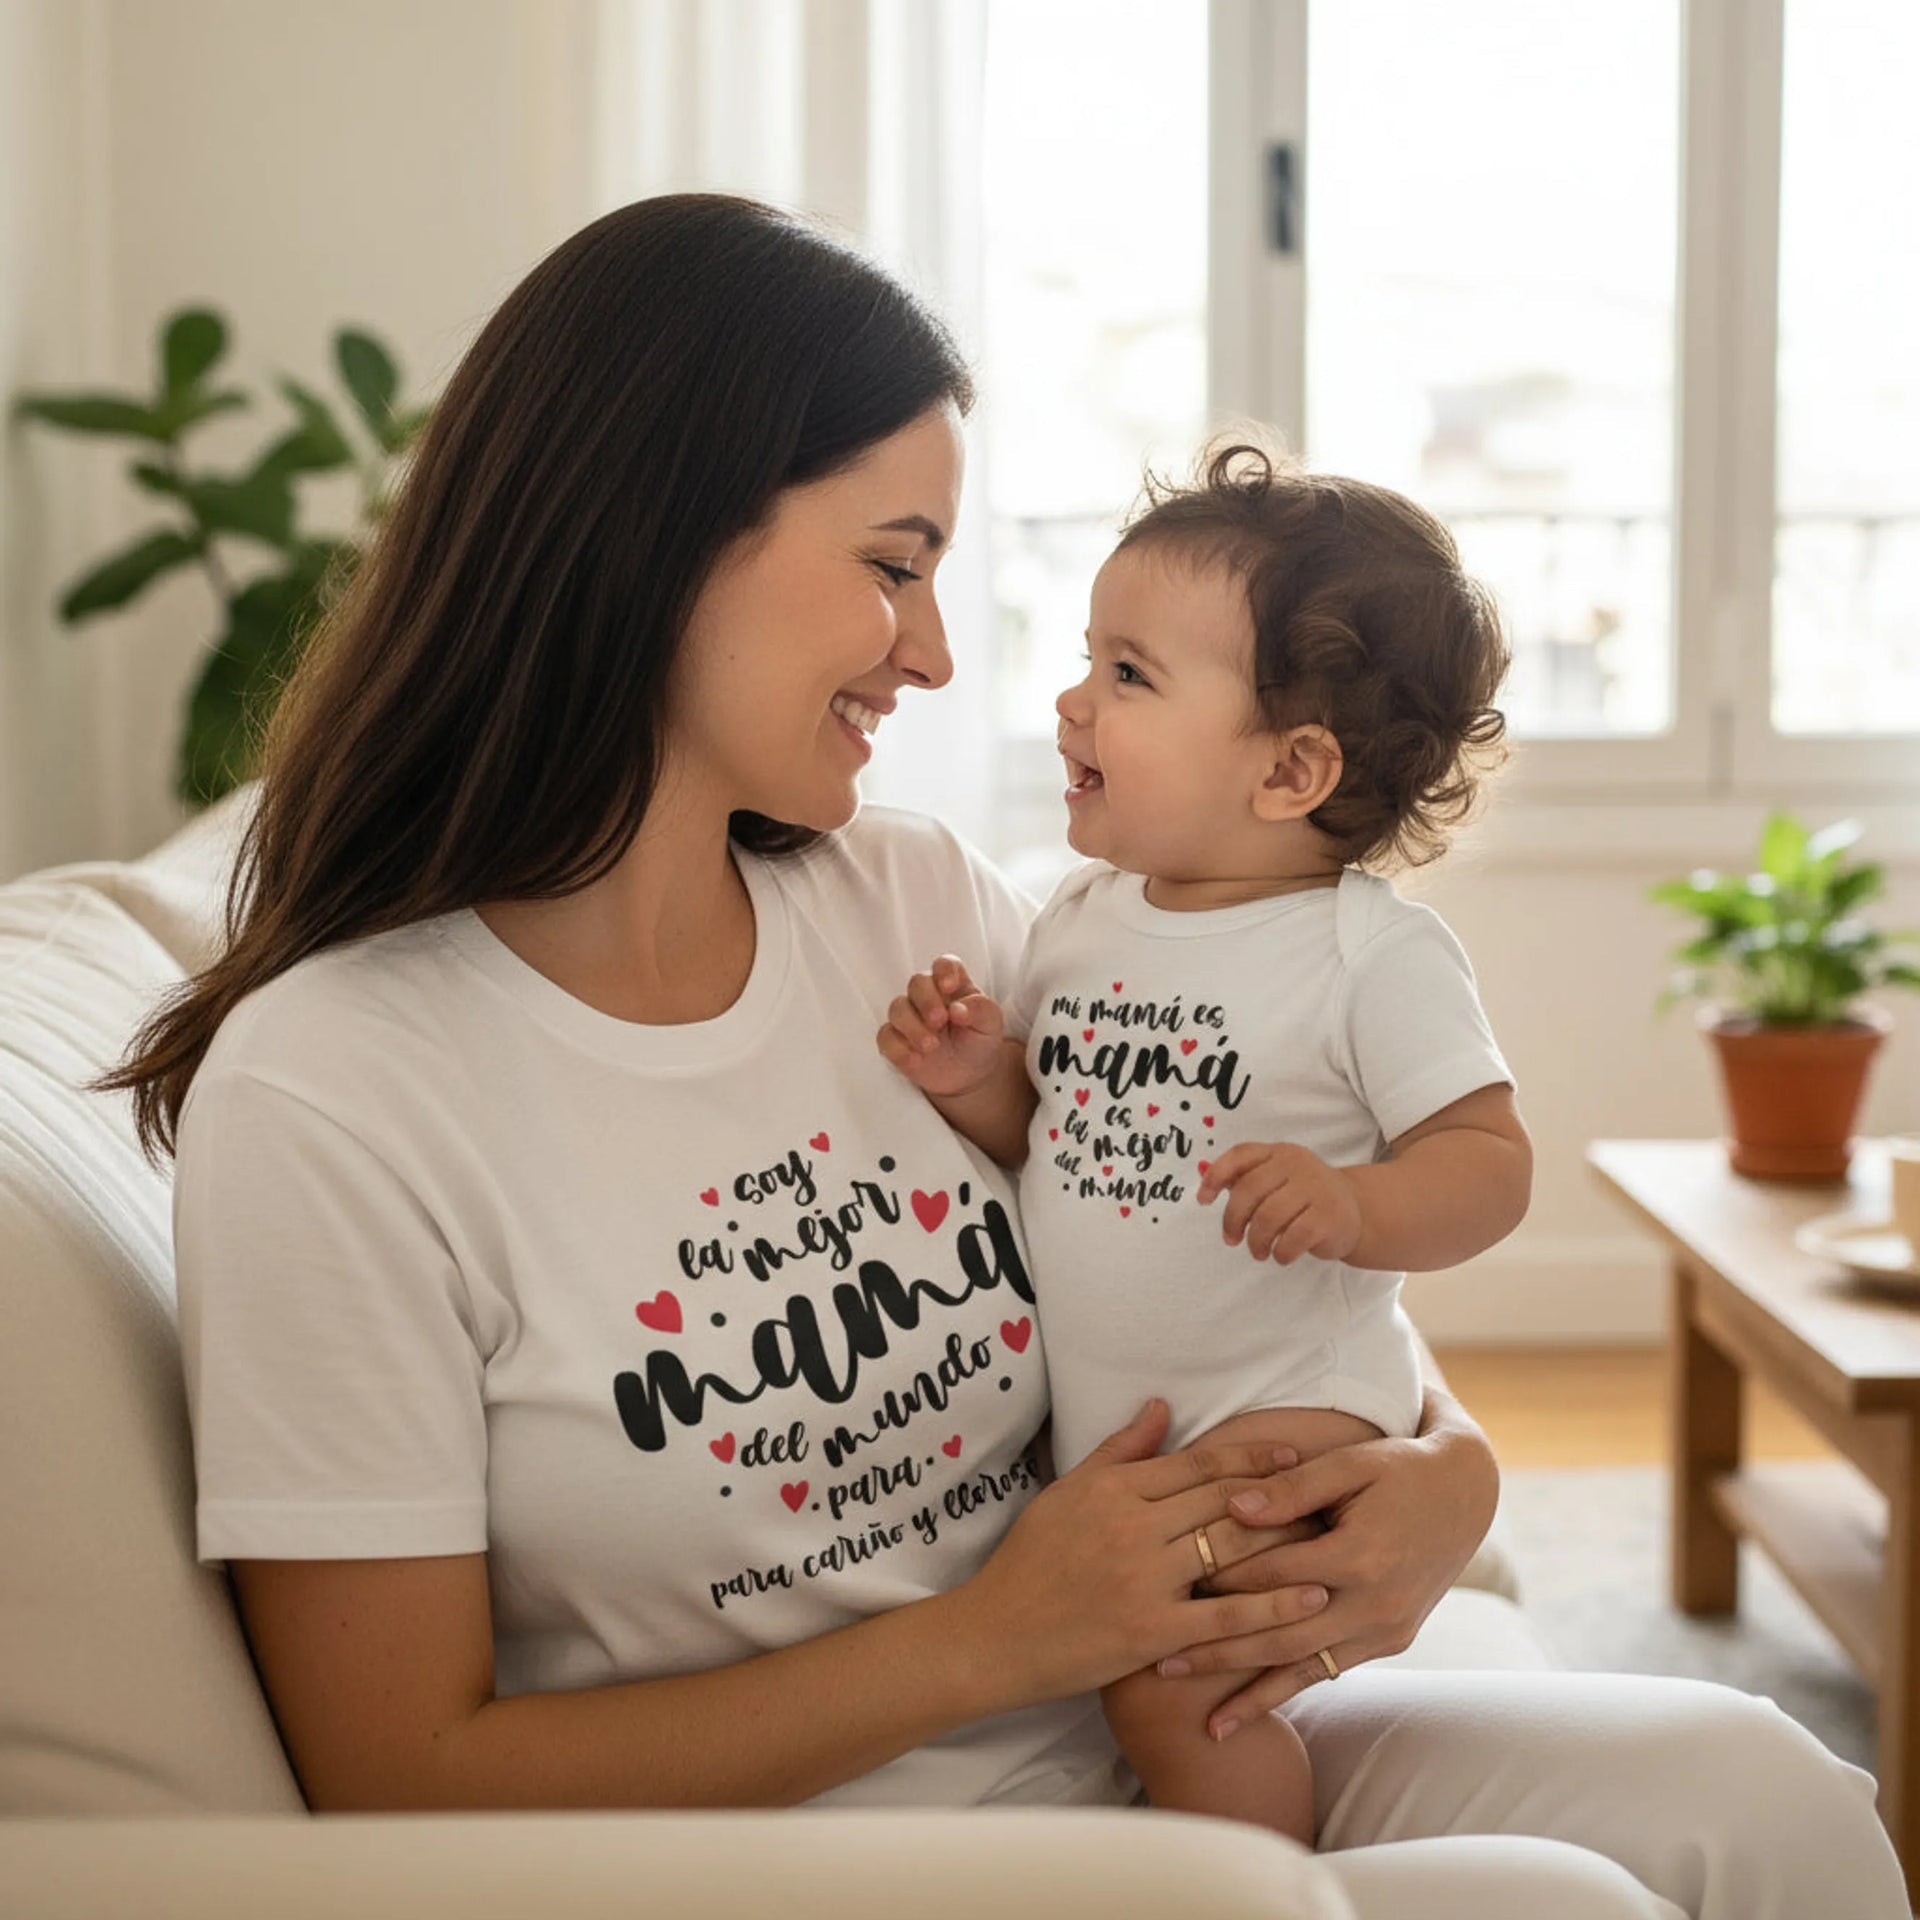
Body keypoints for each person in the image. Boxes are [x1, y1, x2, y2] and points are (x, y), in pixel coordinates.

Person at [96, 192, 1906, 1919]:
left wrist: (1454, 1483)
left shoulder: (919, 906)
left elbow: (1223, 1269)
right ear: (655, 536)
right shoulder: (334, 1095)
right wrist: (993, 1640)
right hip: (835, 1855)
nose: (942, 656)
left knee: (1763, 1791)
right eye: (895, 566)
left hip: (1139, 1726)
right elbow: (402, 1784)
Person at [876, 442, 1532, 1846]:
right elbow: (1047, 1132)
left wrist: (1355, 1207)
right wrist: (969, 1076)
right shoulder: (1079, 920)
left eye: (1129, 676)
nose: (1071, 701)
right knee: (1142, 1672)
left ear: (1292, 769)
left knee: (1179, 1694)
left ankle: (1263, 1878)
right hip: (1125, 1427)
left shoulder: (1369, 954)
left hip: (1280, 1409)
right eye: (1087, 659)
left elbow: (1489, 1163)